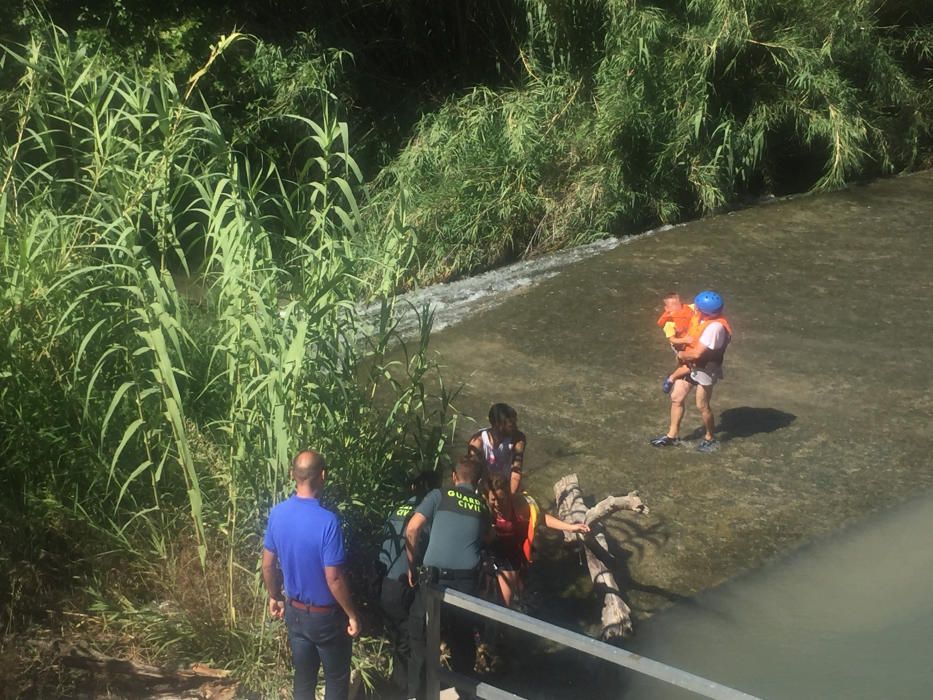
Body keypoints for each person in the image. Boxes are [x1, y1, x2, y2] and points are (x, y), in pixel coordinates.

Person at [262, 450, 361, 700]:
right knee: (336, 682)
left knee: (303, 681)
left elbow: (267, 565)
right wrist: (351, 614)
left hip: (295, 614)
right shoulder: (328, 521)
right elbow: (334, 578)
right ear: (323, 476)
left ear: (292, 475)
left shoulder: (277, 514)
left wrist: (274, 595)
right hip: (326, 618)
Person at [405, 457, 490, 700]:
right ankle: (465, 692)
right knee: (463, 640)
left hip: (433, 578)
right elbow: (489, 537)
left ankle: (418, 694)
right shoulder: (482, 506)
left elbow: (412, 528)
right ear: (479, 481)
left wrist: (413, 565)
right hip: (465, 582)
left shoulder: (438, 495)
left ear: (454, 477)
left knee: (420, 635)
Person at [484, 474, 590, 608]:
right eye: (493, 499)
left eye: (501, 499)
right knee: (485, 593)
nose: (497, 504)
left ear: (509, 496)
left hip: (511, 554)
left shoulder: (520, 506)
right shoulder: (484, 507)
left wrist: (571, 527)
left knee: (505, 604)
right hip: (491, 549)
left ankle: (517, 610)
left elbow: (542, 518)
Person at [376, 471, 438, 691]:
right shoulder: (428, 512)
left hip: (387, 582)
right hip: (406, 582)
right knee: (414, 642)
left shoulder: (398, 508)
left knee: (398, 643)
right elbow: (428, 546)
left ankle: (397, 687)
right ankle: (413, 691)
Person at [650, 290, 733, 453]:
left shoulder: (715, 328)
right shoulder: (702, 314)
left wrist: (680, 354)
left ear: (704, 310)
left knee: (702, 405)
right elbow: (682, 308)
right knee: (676, 397)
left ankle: (710, 438)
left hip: (706, 368)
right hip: (691, 365)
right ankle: (672, 436)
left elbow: (697, 353)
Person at [468, 403, 526, 494]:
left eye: (515, 423)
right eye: (511, 425)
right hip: (483, 487)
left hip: (506, 487)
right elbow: (473, 473)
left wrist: (510, 497)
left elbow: (516, 472)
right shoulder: (477, 442)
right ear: (497, 424)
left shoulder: (518, 438)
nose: (516, 428)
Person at [656, 293, 696, 393]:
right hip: (680, 345)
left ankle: (680, 366)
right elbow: (672, 339)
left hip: (691, 342)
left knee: (685, 363)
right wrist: (685, 340)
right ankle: (671, 379)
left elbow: (699, 305)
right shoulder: (669, 323)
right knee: (692, 366)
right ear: (667, 308)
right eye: (672, 304)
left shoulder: (690, 308)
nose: (677, 306)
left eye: (677, 303)